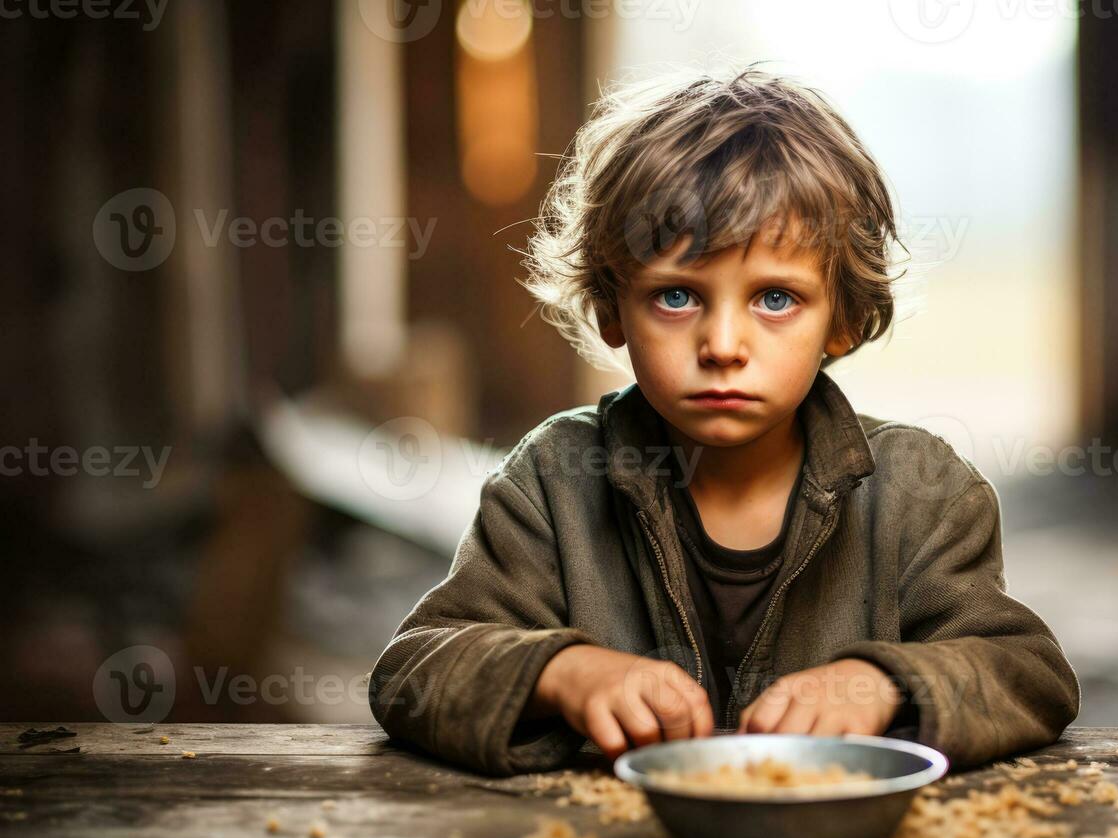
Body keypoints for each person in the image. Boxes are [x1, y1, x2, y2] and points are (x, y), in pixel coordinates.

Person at [369, 66, 1080, 776]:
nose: (723, 347)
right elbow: (412, 674)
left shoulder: (922, 491)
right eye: (677, 296)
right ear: (613, 307)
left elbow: (1028, 672)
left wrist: (884, 680)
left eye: (775, 299)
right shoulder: (553, 484)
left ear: (844, 318)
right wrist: (563, 672)